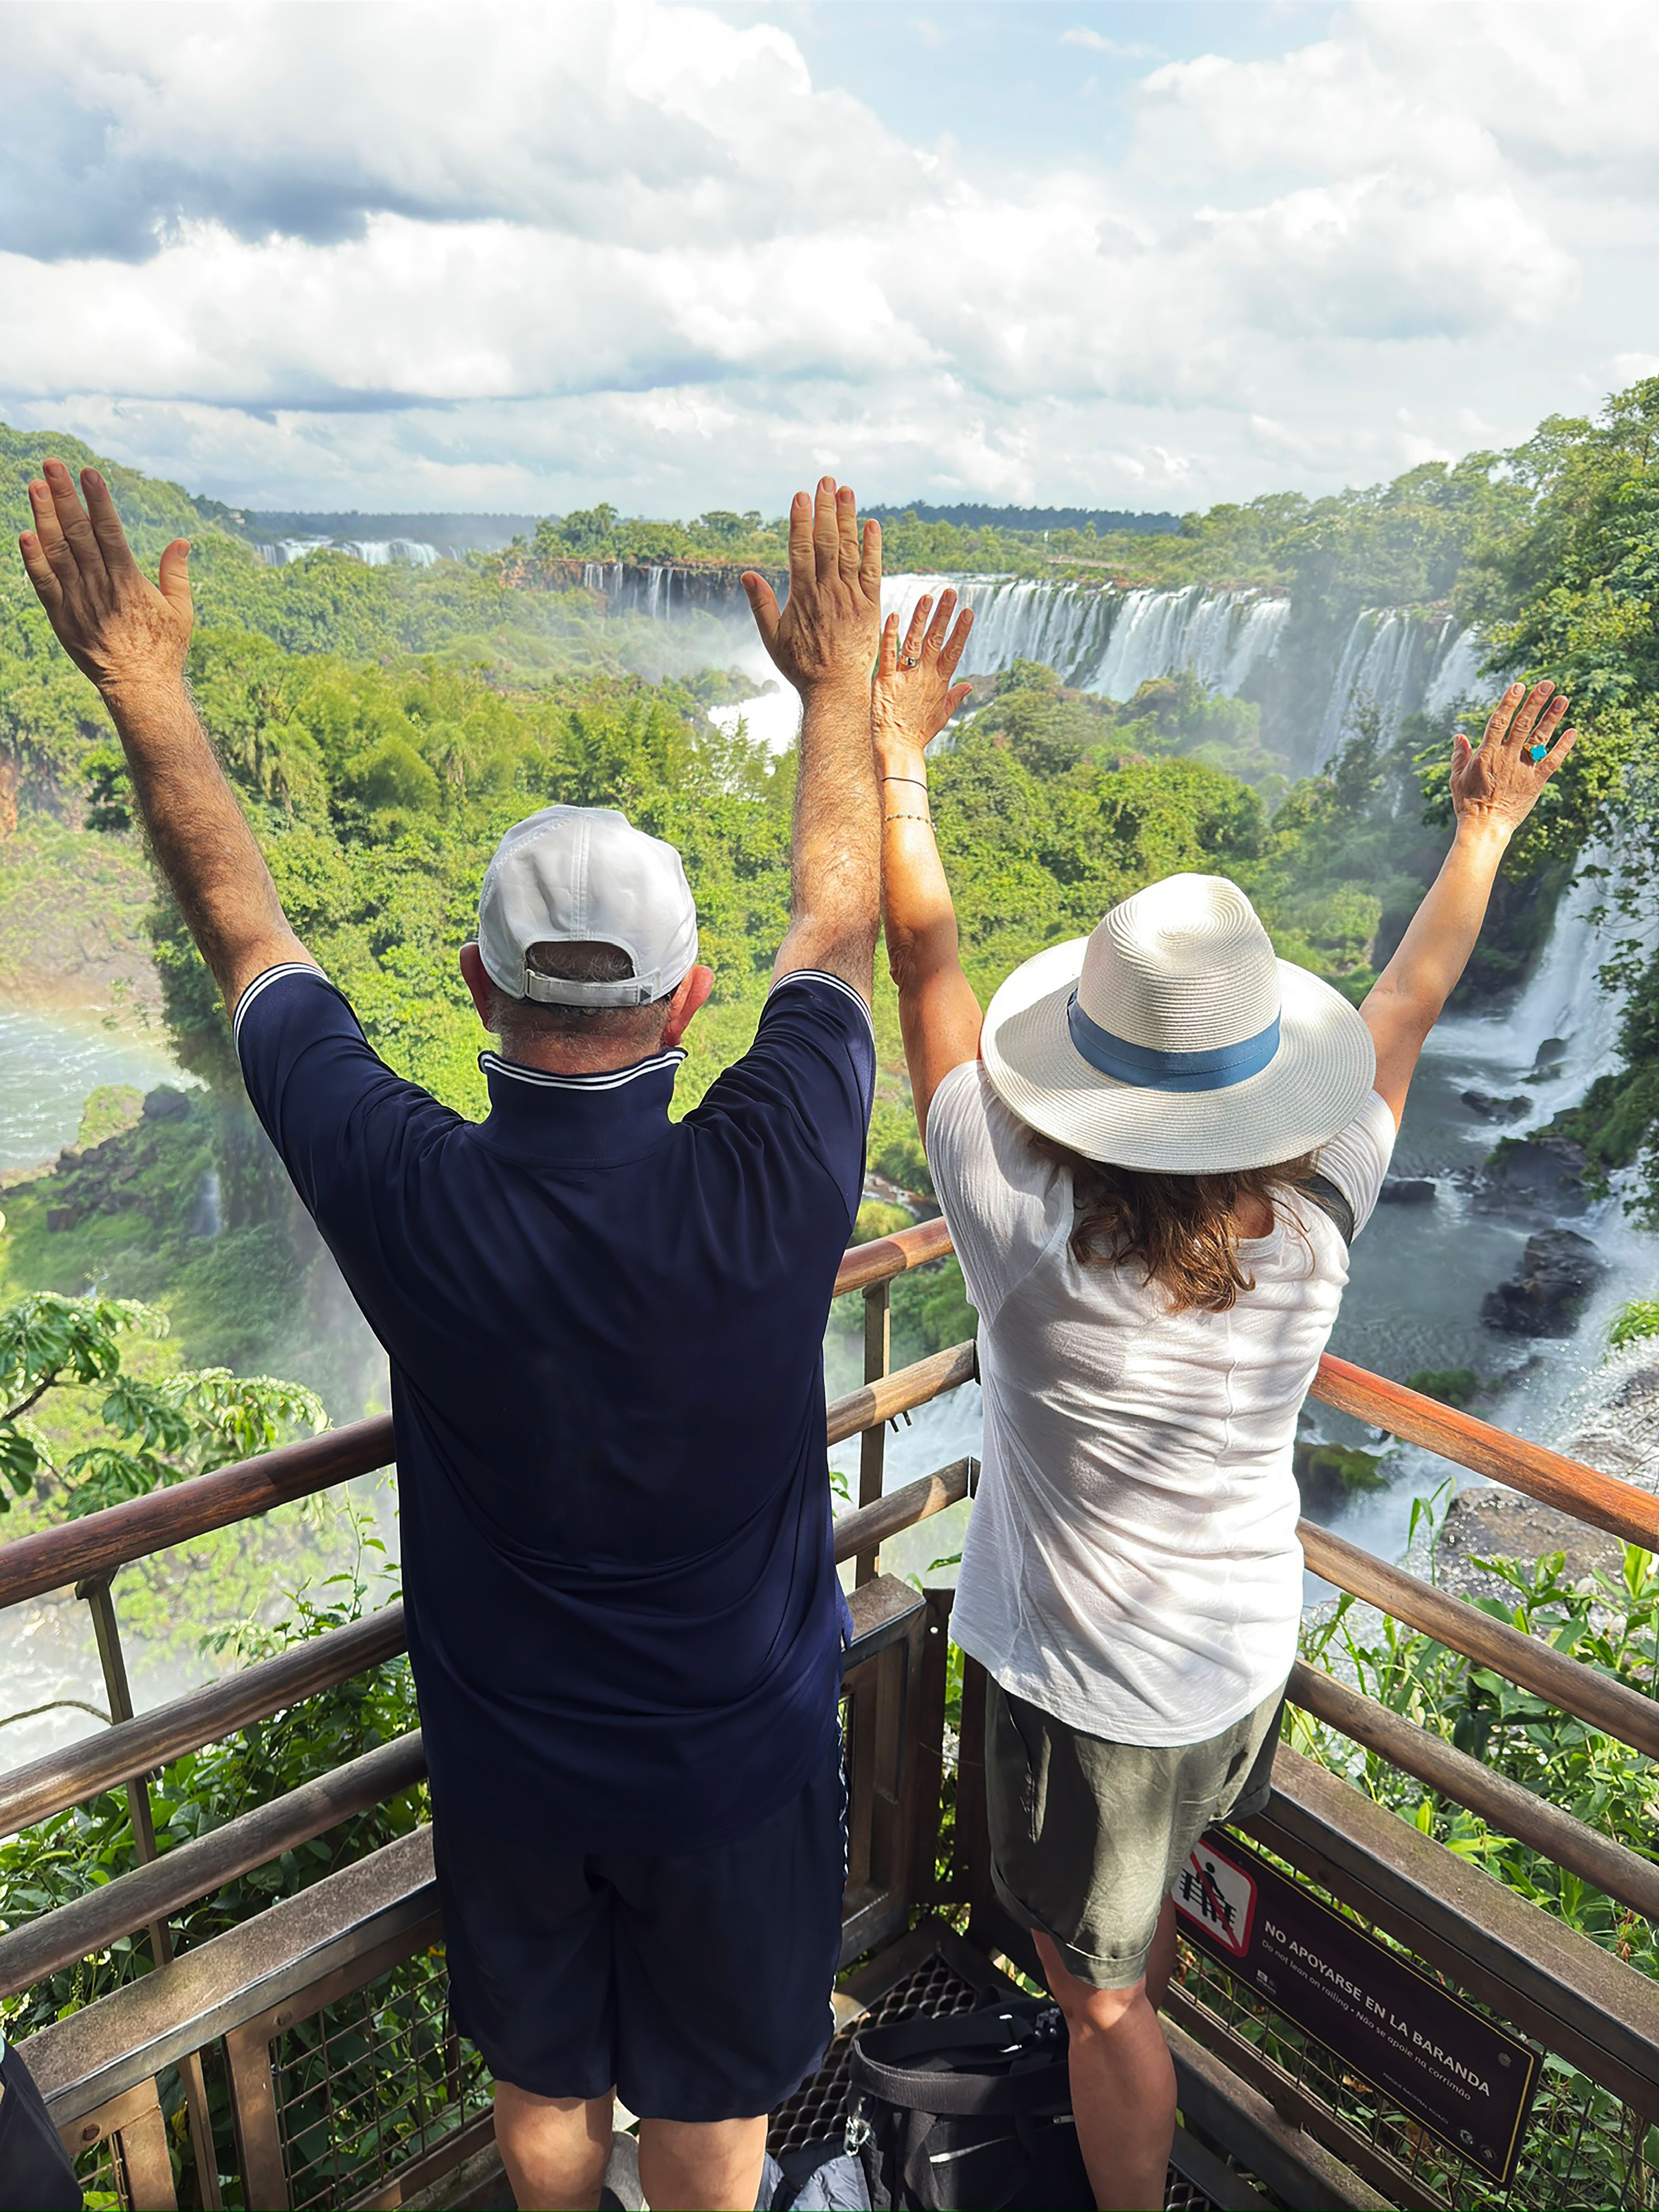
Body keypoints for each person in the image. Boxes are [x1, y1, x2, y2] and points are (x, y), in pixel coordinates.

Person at [18, 464, 887, 2212]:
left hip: (514, 1768)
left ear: (478, 988)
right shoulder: (786, 1164)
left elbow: (249, 935)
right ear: (694, 999)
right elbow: (838, 917)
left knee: (543, 2097)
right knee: (713, 2127)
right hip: (735, 1759)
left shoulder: (405, 1190)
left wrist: (144, 690)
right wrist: (846, 692)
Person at [871, 588, 1577, 2212]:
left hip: (1091, 1696)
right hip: (1240, 1658)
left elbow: (927, 960)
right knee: (1141, 1922)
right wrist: (1485, 826)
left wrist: (901, 757)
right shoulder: (1329, 1197)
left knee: (1099, 1995)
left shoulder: (1024, 1232)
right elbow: (1410, 996)